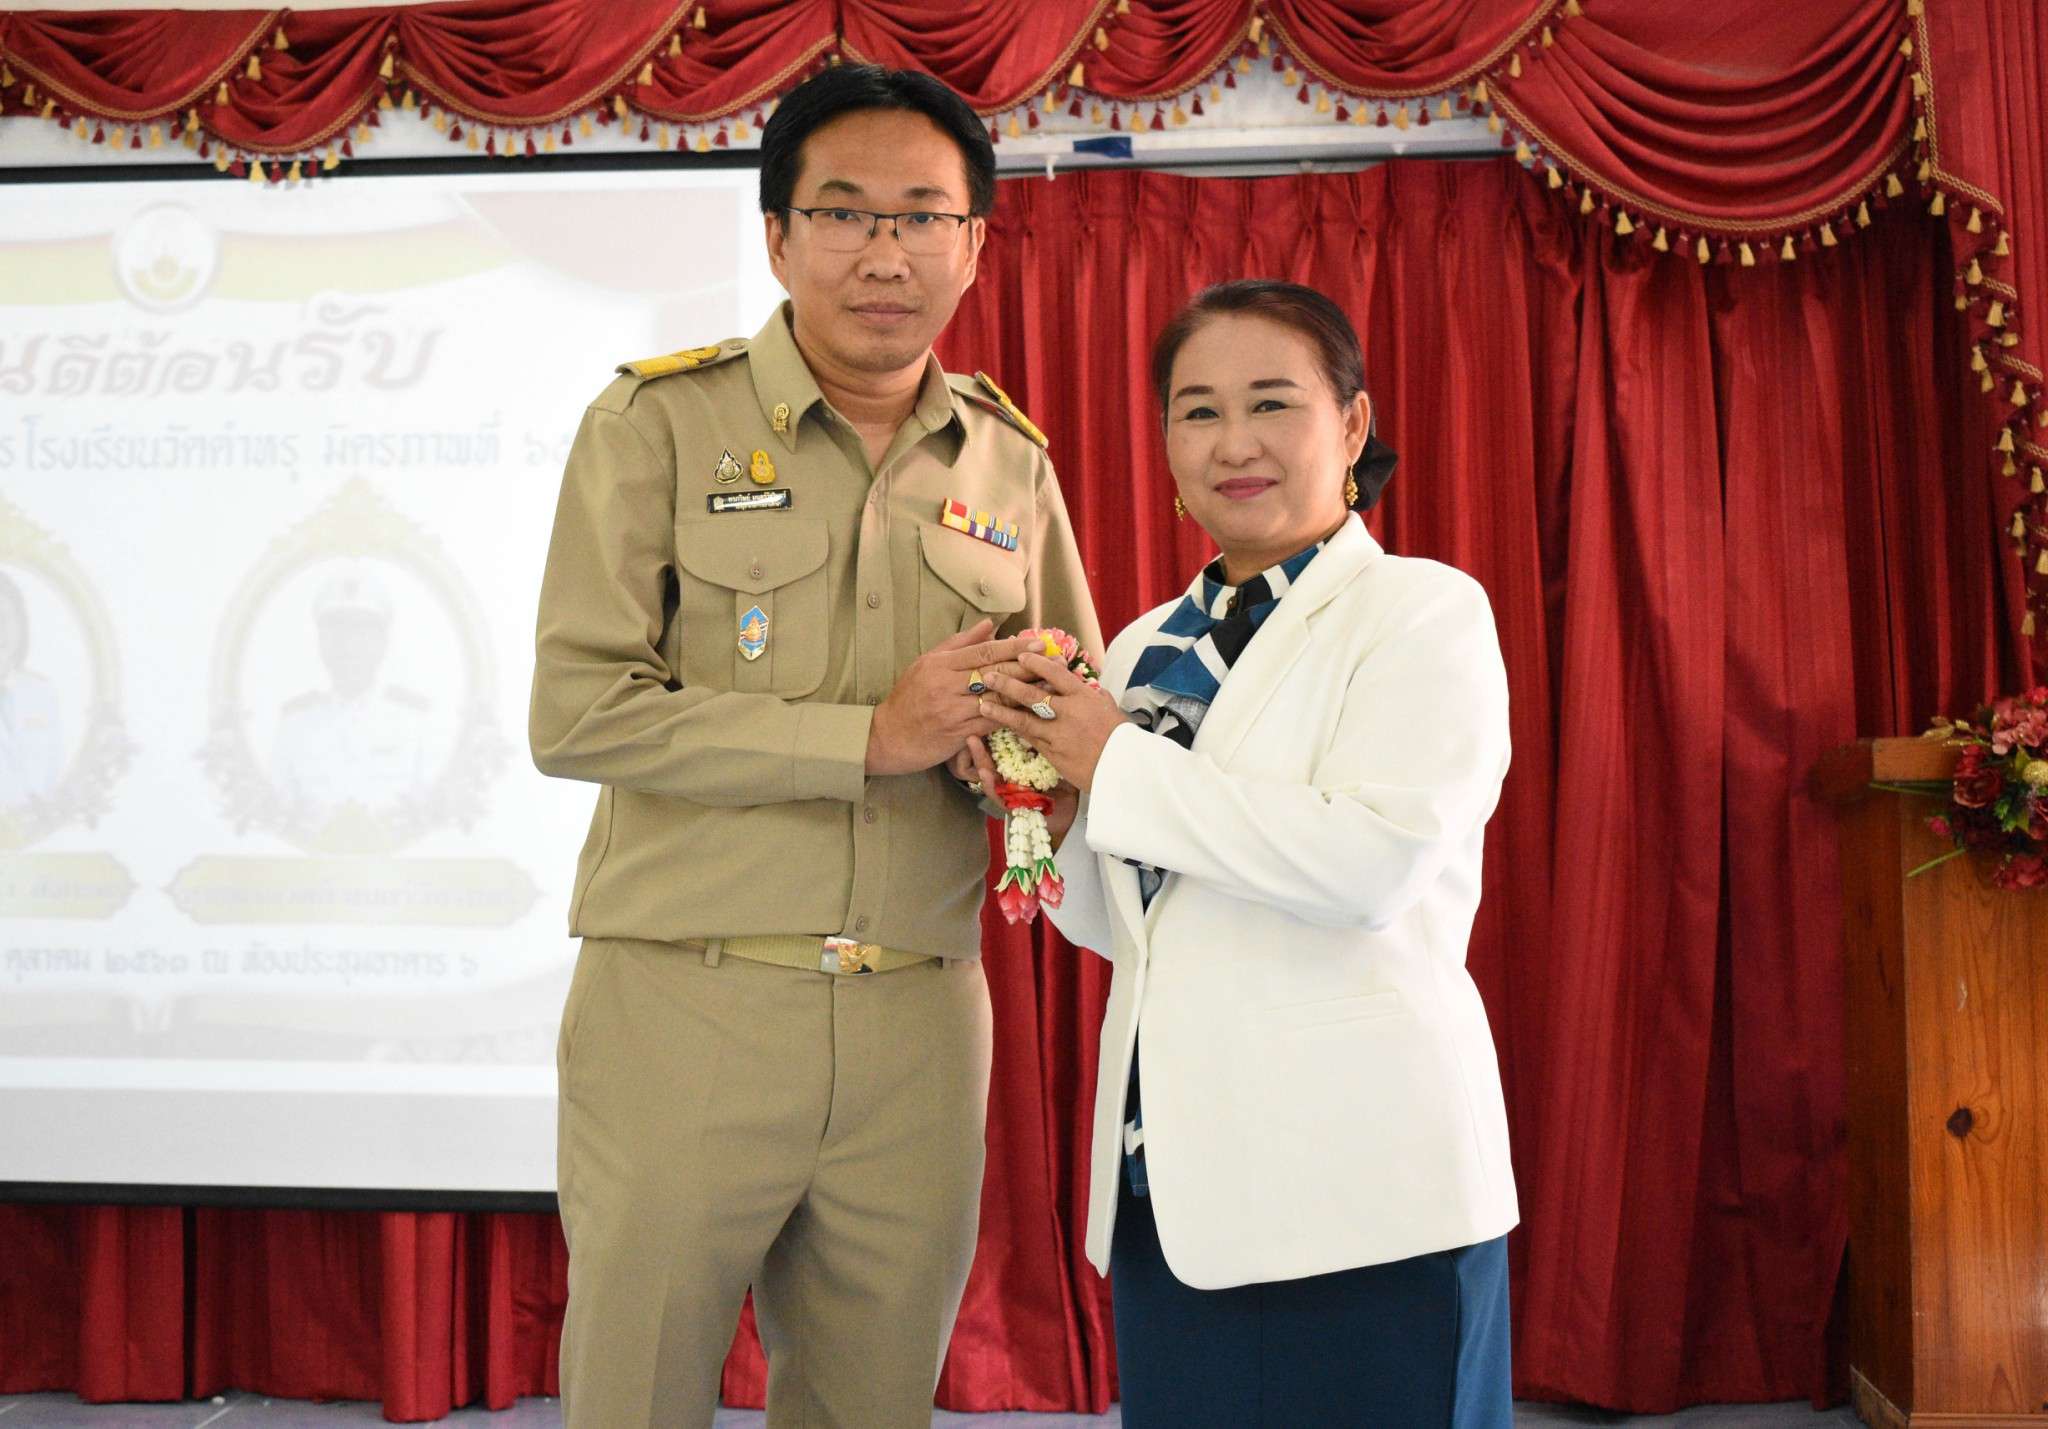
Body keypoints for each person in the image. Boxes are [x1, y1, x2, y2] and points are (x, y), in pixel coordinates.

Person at [528, 65, 1102, 1429]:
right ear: (779, 237)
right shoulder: (658, 423)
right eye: (844, 213)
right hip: (688, 1000)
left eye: (922, 216)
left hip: (918, 1015)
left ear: (974, 245)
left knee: (871, 1403)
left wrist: (1019, 764)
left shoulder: (1007, 460)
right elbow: (579, 711)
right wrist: (872, 738)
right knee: (636, 1395)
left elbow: (1068, 725)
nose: (884, 253)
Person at [966, 280, 1516, 1426]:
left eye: (1271, 402)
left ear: (1350, 427)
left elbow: (1369, 866)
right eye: (1197, 411)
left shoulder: (1419, 611)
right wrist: (1055, 825)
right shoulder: (1138, 649)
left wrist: (1109, 764)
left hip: (1365, 1185)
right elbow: (1137, 927)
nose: (1233, 442)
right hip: (1176, 1182)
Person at [270, 563, 430, 817]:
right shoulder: (294, 726)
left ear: (383, 643)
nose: (349, 646)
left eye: (361, 633)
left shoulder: (415, 723)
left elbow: (429, 817)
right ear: (322, 644)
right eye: (338, 633)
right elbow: (278, 818)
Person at [0, 569, 62, 811]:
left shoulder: (42, 694)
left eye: (7, 617)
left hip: (34, 830)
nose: (1, 630)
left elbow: (52, 778)